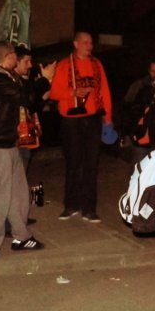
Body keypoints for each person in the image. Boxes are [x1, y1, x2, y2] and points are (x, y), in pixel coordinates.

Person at [0, 41, 44, 258]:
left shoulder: (4, 76)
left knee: (19, 195)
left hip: (8, 144)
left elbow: (27, 99)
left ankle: (21, 237)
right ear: (8, 57)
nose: (18, 58)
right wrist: (44, 81)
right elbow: (25, 97)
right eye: (15, 55)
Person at [49, 31, 112, 222]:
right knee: (73, 164)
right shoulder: (64, 65)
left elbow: (105, 91)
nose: (89, 46)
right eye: (85, 42)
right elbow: (54, 93)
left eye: (90, 43)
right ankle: (71, 205)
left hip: (92, 119)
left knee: (91, 165)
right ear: (75, 44)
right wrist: (73, 93)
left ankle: (89, 209)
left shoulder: (96, 64)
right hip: (71, 121)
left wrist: (108, 118)